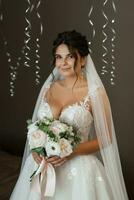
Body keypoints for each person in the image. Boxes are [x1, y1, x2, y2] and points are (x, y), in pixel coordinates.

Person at [10, 30, 129, 200]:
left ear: (83, 59)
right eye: (59, 57)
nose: (63, 63)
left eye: (69, 57)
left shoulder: (95, 92)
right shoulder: (48, 88)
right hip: (42, 166)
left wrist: (70, 151)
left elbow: (106, 137)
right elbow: (37, 128)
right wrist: (36, 150)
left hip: (78, 171)